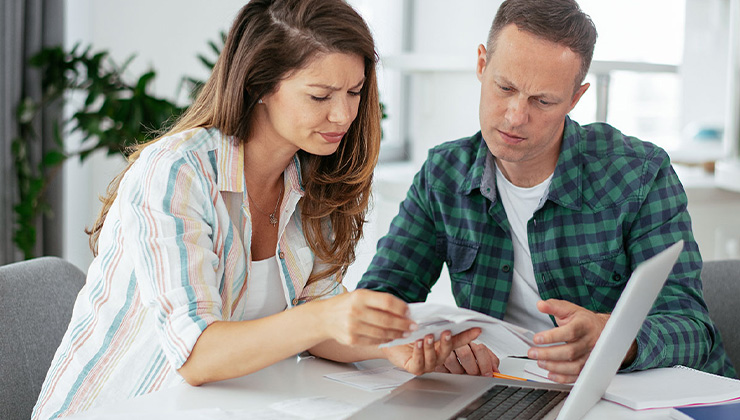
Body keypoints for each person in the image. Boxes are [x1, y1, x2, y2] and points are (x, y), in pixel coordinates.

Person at [32, 1, 491, 418]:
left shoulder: (311, 181)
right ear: (261, 85)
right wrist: (323, 317)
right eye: (320, 96)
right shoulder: (178, 172)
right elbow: (196, 355)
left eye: (354, 92)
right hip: (121, 407)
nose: (343, 115)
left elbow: (319, 320)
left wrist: (391, 347)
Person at [359, 0, 737, 384]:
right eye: (504, 87)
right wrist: (433, 345)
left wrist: (615, 338)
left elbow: (692, 328)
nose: (515, 116)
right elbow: (377, 300)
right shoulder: (444, 175)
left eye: (543, 101)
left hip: (653, 397)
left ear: (575, 98)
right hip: (512, 388)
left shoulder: (639, 174)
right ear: (481, 64)